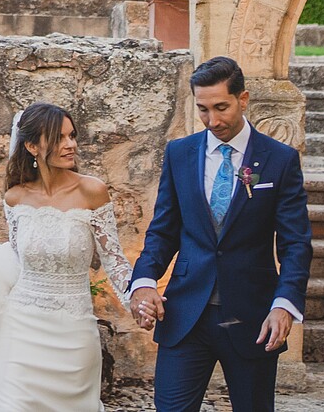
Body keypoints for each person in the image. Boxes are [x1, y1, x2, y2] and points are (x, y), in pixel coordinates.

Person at [127, 56, 312, 412]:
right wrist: (144, 281)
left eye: (221, 107)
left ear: (243, 99)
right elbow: (163, 232)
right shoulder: (179, 153)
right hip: (185, 315)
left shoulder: (280, 159)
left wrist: (284, 305)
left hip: (253, 317)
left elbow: (295, 244)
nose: (212, 120)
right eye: (203, 109)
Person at [0, 103, 134, 412]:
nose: (70, 144)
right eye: (59, 138)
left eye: (72, 136)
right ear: (32, 146)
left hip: (74, 333)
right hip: (21, 329)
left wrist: (137, 297)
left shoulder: (92, 191)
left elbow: (114, 261)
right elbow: (19, 259)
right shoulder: (15, 198)